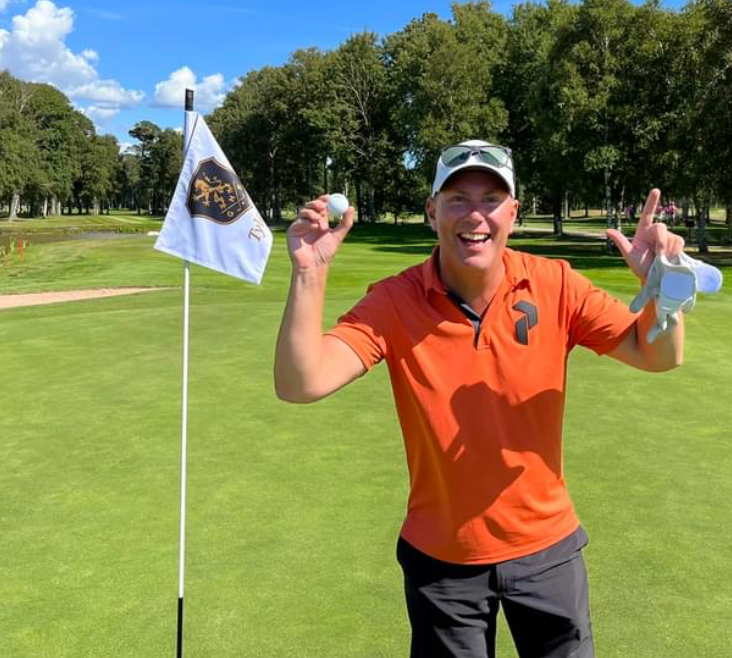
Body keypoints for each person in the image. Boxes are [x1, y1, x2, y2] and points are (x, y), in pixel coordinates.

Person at [274, 139, 686, 657]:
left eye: (491, 200)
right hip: (442, 562)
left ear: (513, 211)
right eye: (457, 199)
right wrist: (309, 273)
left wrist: (663, 288)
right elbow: (300, 382)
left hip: (548, 550)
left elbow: (657, 355)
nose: (476, 216)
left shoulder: (555, 283)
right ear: (432, 211)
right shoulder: (393, 300)